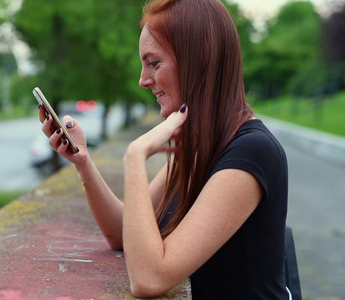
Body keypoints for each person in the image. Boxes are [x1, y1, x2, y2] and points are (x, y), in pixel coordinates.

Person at [38, 0, 289, 298]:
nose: (143, 80)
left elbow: (149, 278)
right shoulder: (201, 145)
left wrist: (135, 156)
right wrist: (83, 161)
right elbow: (122, 233)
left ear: (199, 61)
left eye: (154, 63)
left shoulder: (251, 152)